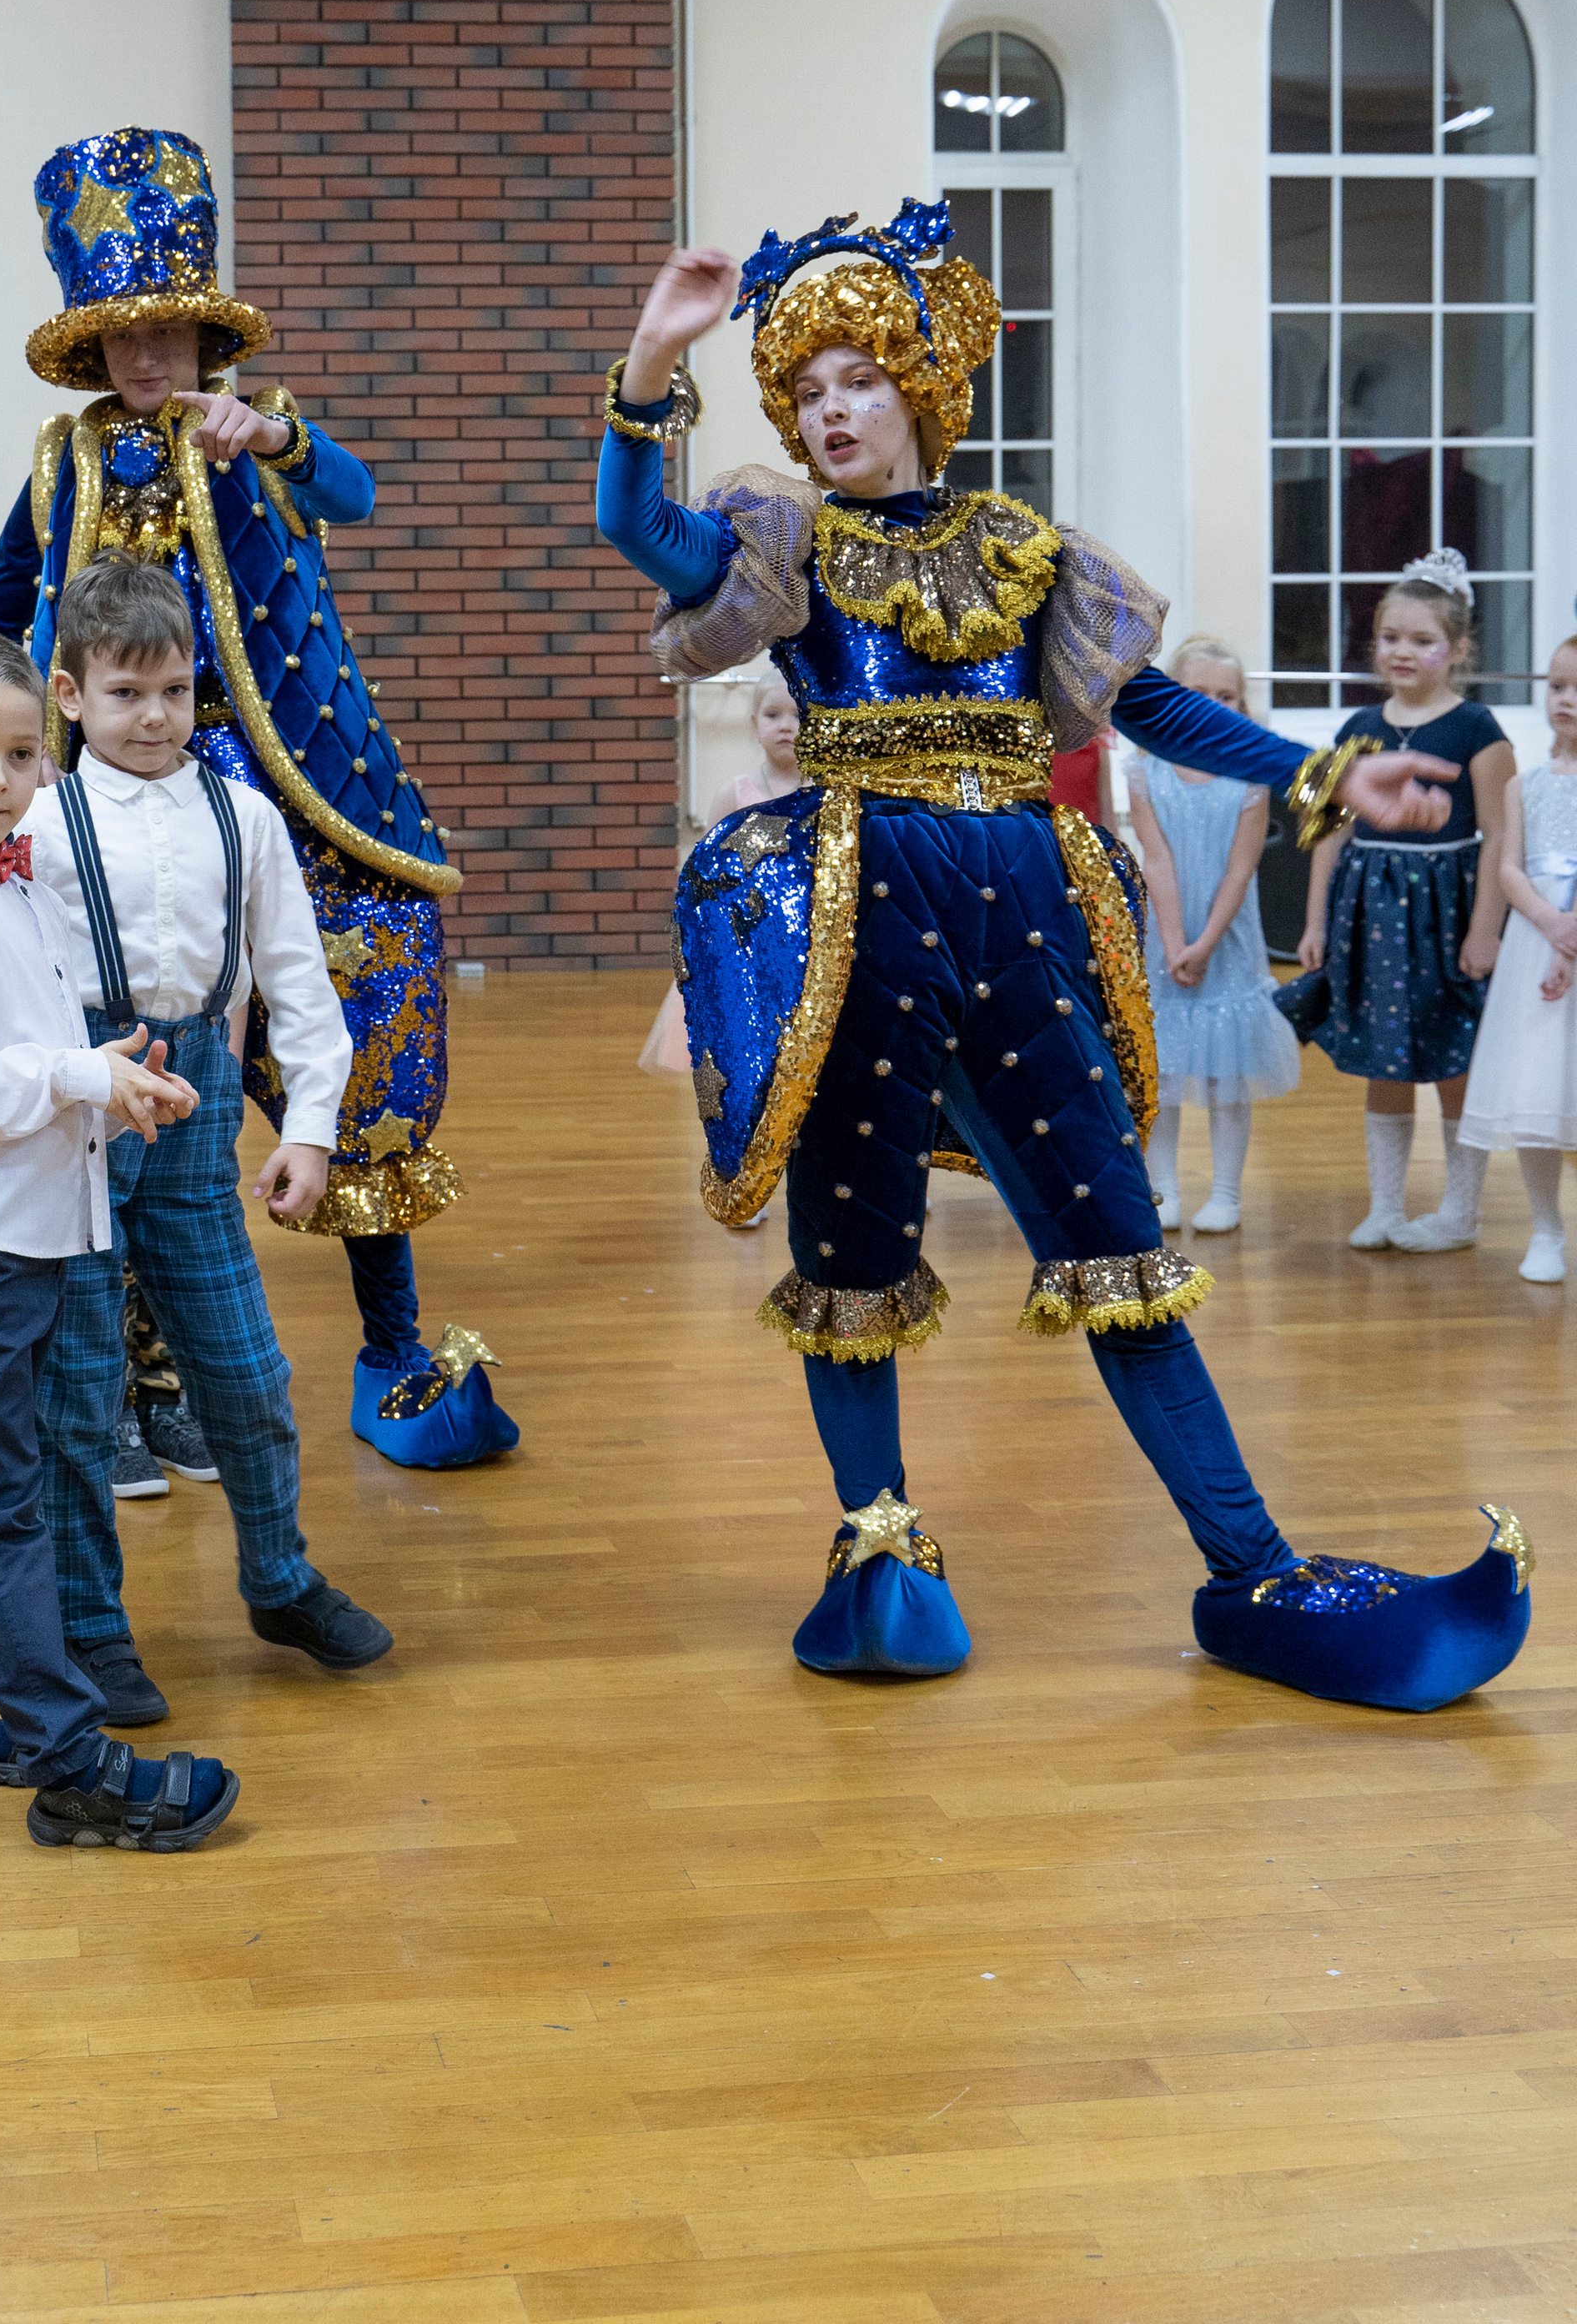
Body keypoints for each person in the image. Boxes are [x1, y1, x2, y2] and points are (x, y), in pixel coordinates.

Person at [593, 205, 1532, 1713]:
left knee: (1119, 1242)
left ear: (922, 388)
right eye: (808, 386)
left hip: (1020, 911)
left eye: (861, 379)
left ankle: (1253, 1566)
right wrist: (651, 368)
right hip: (859, 912)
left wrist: (1321, 774)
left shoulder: (1028, 552)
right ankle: (878, 1547)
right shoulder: (784, 542)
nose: (832, 410)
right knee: (855, 1245)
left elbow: (1149, 711)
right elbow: (643, 533)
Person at [0, 126, 514, 1473]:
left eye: (171, 333)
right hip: (120, 802)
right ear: (94, 348)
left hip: (301, 791)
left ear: (207, 339)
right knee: (145, 1066)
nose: (149, 358)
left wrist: (274, 435)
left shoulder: (258, 434)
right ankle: (146, 1374)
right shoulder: (62, 465)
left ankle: (390, 1342)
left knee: (368, 1023)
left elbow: (359, 492)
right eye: (124, 336)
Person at [0, 623, 239, 1852]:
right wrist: (76, 1077)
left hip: (13, 1233)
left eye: (20, 753)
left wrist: (108, 1080)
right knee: (2, 1504)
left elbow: (26, 1044)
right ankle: (71, 1766)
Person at [26, 553, 398, 1694]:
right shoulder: (36, 821)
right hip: (74, 1125)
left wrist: (313, 1128)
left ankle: (279, 1579)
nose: (153, 716)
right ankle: (89, 1626)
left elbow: (296, 982)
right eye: (125, 693)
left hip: (197, 1119)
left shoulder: (245, 818)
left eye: (174, 691)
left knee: (246, 1374)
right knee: (77, 1391)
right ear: (72, 695)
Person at [1277, 554, 1515, 1255]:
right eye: (1390, 638)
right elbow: (1329, 830)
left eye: (1421, 640)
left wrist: (1485, 930)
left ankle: (1461, 1211)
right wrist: (1315, 921)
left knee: (1451, 1058)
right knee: (1385, 1057)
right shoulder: (1360, 725)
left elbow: (1502, 833)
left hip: (1447, 907)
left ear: (1459, 650)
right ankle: (1384, 1206)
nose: (1402, 652)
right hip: (1371, 912)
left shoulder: (1477, 728)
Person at [1122, 635, 1298, 1237]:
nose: (1214, 704)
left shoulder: (1249, 777)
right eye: (1198, 693)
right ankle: (1163, 1189)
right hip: (1165, 935)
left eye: (1227, 695)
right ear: (1173, 695)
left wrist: (1205, 944)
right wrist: (1174, 945)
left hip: (1228, 937)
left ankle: (1227, 1193)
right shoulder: (1143, 769)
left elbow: (1241, 868)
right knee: (1163, 1069)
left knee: (1228, 1071)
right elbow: (1159, 861)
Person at [1455, 632, 1577, 1287]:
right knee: (1537, 1088)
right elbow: (1508, 866)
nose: (1568, 700)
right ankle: (1547, 1226)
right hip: (1538, 942)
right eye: (1558, 686)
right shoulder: (1525, 785)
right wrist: (1551, 923)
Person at [642, 675, 798, 1094]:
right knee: (742, 1043)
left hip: (803, 936)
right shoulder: (736, 794)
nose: (786, 726)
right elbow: (705, 871)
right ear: (753, 724)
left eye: (799, 716)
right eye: (773, 715)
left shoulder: (826, 794)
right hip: (745, 935)